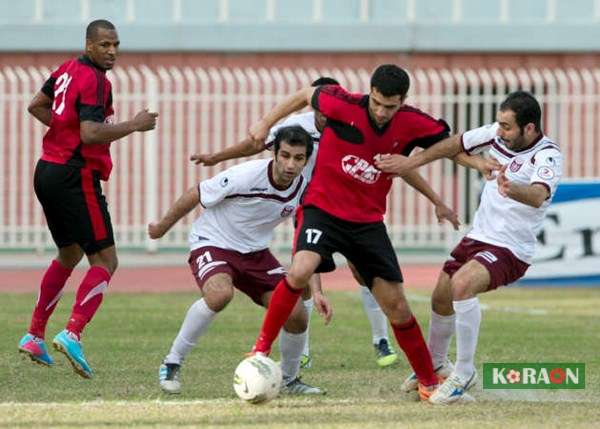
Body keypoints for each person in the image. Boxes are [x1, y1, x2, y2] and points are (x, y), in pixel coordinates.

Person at [192, 77, 460, 369]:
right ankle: (281, 352)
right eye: (378, 104)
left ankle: (382, 341)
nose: (383, 112)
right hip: (314, 204)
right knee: (302, 272)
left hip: (361, 215)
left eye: (390, 106)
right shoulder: (302, 128)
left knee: (367, 279)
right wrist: (219, 155)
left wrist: (436, 198)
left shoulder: (379, 123)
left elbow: (404, 163)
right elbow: (256, 142)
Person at [375, 91, 562, 404]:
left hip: (511, 248)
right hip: (480, 237)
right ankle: (435, 366)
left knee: (462, 285)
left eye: (506, 127)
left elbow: (538, 195)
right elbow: (454, 143)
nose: (499, 131)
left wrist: (511, 188)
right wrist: (412, 161)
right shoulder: (497, 135)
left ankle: (463, 372)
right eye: (499, 125)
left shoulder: (547, 155)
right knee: (441, 296)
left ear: (529, 128)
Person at [17, 19, 158, 379]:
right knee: (107, 260)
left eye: (116, 44)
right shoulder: (95, 79)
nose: (112, 51)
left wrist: (64, 133)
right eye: (105, 45)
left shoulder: (67, 68)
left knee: (69, 253)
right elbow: (92, 132)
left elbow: (36, 106)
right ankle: (73, 332)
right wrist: (134, 124)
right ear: (89, 44)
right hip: (74, 174)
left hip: (46, 170)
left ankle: (34, 335)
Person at [150, 126, 325, 395]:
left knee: (296, 315)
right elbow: (196, 192)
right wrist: (162, 227)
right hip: (214, 241)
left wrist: (316, 288)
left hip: (255, 253)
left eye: (298, 158)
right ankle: (172, 362)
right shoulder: (246, 175)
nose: (291, 164)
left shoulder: (304, 190)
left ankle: (289, 380)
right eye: (285, 155)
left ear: (306, 160)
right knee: (220, 295)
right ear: (274, 153)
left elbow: (306, 240)